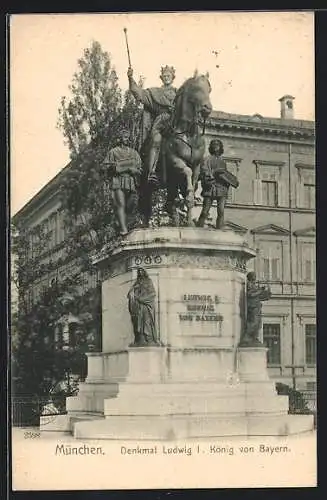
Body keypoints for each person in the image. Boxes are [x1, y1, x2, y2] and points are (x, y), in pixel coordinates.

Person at [127, 65, 177, 184]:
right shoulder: (155, 92)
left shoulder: (179, 93)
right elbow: (139, 93)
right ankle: (151, 171)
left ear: (173, 77)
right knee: (156, 140)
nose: (166, 78)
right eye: (164, 76)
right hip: (161, 122)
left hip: (175, 122)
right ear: (161, 78)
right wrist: (130, 78)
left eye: (168, 76)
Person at [104, 128, 143, 236]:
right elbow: (106, 167)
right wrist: (114, 167)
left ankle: (122, 222)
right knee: (120, 204)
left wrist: (135, 170)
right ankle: (123, 229)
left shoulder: (134, 153)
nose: (126, 139)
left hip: (130, 181)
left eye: (127, 137)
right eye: (124, 137)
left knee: (131, 205)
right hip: (118, 180)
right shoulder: (113, 152)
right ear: (119, 138)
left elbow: (140, 169)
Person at [197, 139, 238, 229]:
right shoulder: (207, 159)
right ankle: (198, 229)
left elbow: (225, 175)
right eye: (214, 145)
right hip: (210, 187)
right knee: (205, 211)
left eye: (218, 145)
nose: (216, 147)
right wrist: (214, 172)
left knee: (221, 211)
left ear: (220, 148)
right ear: (211, 147)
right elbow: (204, 171)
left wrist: (228, 179)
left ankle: (220, 229)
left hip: (222, 188)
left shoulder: (222, 161)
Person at [127, 268, 158, 346]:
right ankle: (140, 339)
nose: (140, 273)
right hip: (138, 306)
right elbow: (129, 294)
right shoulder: (137, 283)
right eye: (139, 271)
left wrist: (142, 299)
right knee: (138, 323)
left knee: (146, 322)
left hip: (146, 306)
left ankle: (149, 338)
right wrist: (133, 292)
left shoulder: (148, 281)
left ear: (144, 272)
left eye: (141, 271)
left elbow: (152, 293)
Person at [242, 272, 272, 345]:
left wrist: (267, 292)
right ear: (250, 277)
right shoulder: (249, 285)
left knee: (258, 323)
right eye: (254, 276)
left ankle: (253, 338)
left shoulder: (254, 286)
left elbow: (261, 296)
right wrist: (260, 291)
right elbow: (250, 294)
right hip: (252, 306)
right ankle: (246, 337)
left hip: (257, 306)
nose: (255, 277)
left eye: (255, 276)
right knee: (253, 322)